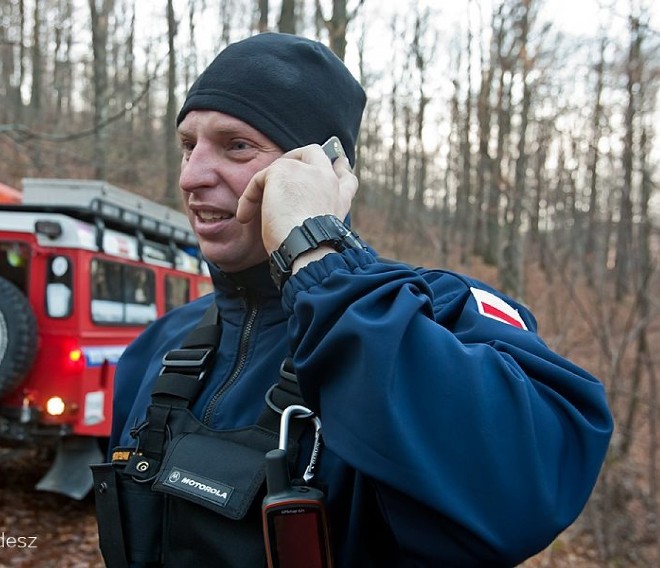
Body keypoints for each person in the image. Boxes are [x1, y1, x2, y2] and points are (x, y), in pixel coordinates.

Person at [94, 33, 613, 567]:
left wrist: (314, 253)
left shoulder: (441, 313)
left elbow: (522, 498)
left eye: (236, 145)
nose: (191, 176)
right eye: (188, 144)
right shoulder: (157, 348)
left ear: (318, 170)